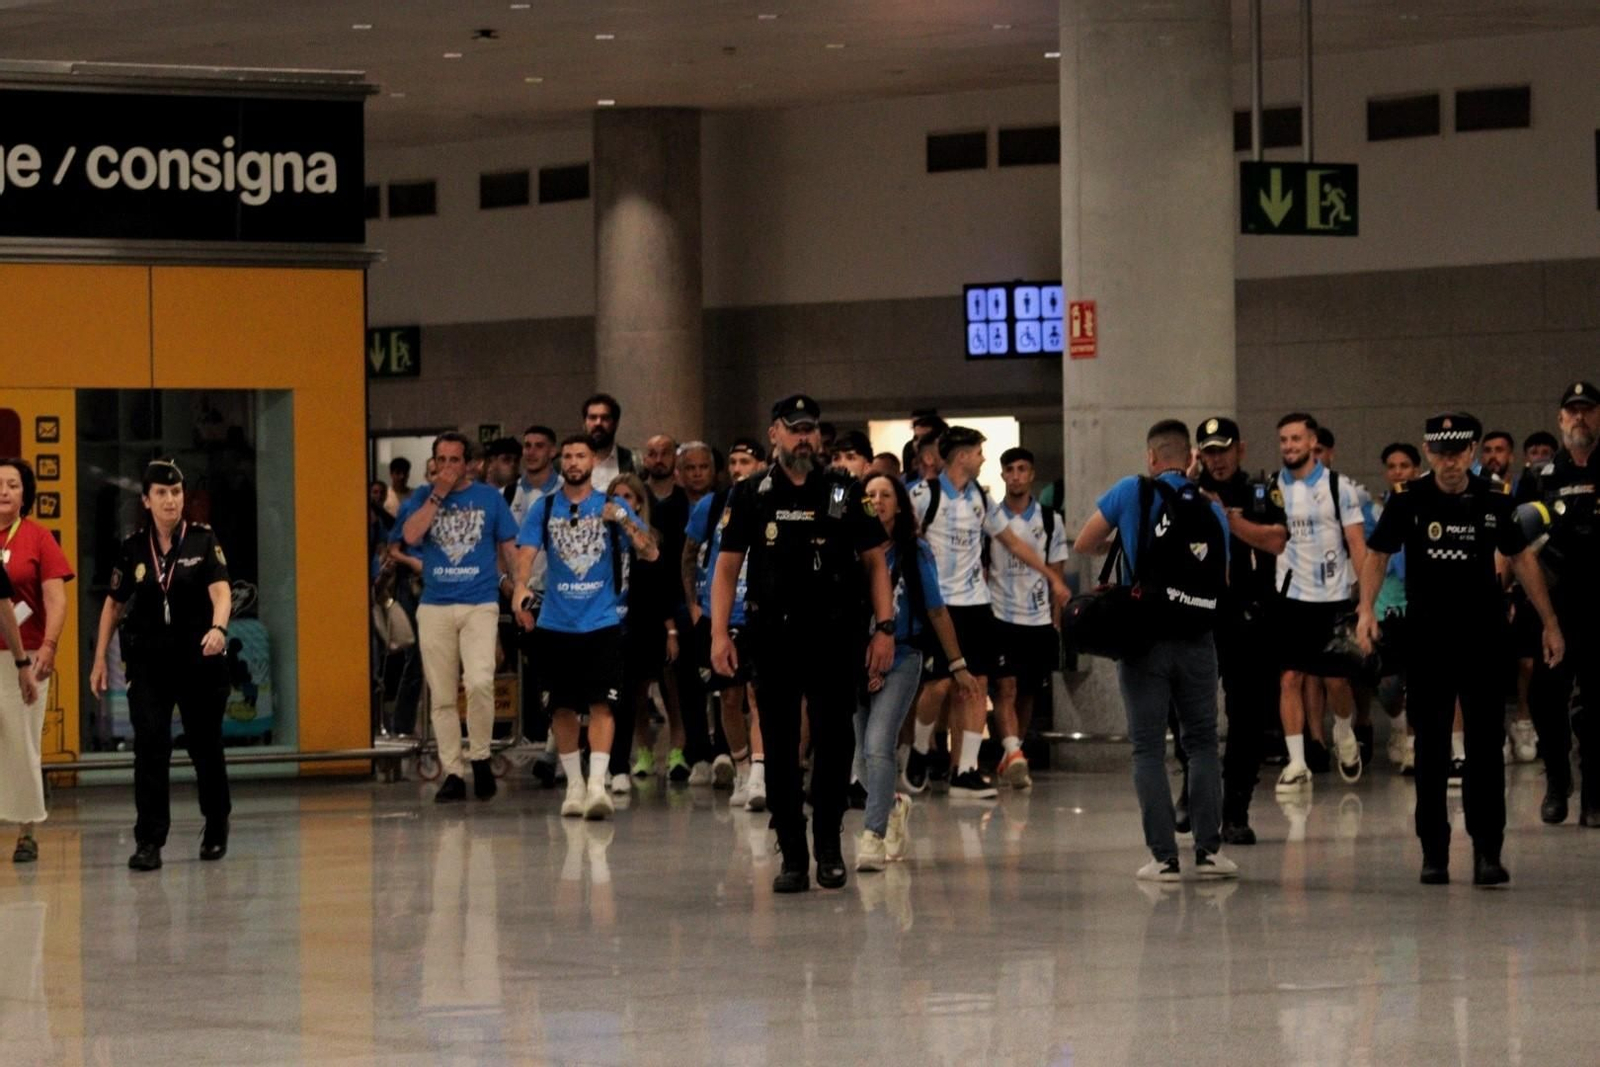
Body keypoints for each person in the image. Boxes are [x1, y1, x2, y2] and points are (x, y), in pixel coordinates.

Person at [1358, 413, 1563, 886]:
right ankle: (1435, 851)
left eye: (1458, 452)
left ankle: (1488, 850)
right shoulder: (1408, 499)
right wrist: (1366, 610)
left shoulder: (1493, 498)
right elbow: (1377, 553)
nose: (1450, 462)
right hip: (1429, 640)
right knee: (1430, 749)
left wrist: (1550, 622)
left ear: (1471, 452)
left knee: (1485, 748)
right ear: (1429, 453)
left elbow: (1521, 558)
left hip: (1482, 639)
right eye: (1441, 453)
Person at [711, 394, 896, 893]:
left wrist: (885, 627)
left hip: (835, 637)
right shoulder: (752, 494)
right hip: (772, 637)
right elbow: (726, 569)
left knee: (836, 743)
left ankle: (830, 845)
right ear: (774, 433)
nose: (803, 437)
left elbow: (876, 562)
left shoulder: (841, 491)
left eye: (810, 429)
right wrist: (717, 632)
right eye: (793, 429)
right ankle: (792, 851)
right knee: (780, 742)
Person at [1072, 420, 1236, 882]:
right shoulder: (1211, 507)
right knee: (1202, 743)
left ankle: (1164, 858)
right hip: (1198, 642)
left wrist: (1126, 539)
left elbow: (1085, 543)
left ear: (1150, 457)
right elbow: (1222, 582)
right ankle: (1209, 852)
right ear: (1190, 459)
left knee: (1147, 748)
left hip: (1142, 640)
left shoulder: (1131, 491)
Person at [904, 427, 1069, 799]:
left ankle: (966, 770)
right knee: (940, 683)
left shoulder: (981, 497)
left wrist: (1050, 577)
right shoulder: (922, 495)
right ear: (961, 456)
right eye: (978, 452)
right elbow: (898, 536)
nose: (982, 459)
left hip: (977, 604)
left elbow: (1011, 541)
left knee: (976, 684)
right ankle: (918, 750)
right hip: (937, 605)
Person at [89, 460, 233, 871]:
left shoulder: (202, 541)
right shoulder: (134, 547)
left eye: (176, 493)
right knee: (151, 747)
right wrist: (100, 658)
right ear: (147, 500)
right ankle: (149, 840)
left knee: (205, 744)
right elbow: (113, 605)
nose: (171, 500)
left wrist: (219, 628)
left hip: (199, 659)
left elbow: (222, 592)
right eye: (162, 494)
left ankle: (217, 822)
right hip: (149, 664)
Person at [513, 435, 658, 821]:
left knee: (602, 704)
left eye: (581, 455)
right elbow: (525, 554)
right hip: (556, 622)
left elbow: (651, 551)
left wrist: (624, 520)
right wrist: (521, 586)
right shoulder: (543, 509)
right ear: (561, 462)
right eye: (569, 456)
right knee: (560, 706)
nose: (574, 462)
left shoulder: (610, 506)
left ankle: (597, 784)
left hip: (602, 621)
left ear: (593, 461)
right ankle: (574, 785)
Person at [855, 472, 976, 871]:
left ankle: (873, 835)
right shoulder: (851, 546)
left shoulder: (914, 551)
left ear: (899, 504)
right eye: (870, 494)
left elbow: (937, 610)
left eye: (886, 494)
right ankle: (892, 805)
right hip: (856, 659)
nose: (877, 500)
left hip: (903, 655)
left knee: (878, 744)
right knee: (859, 759)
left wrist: (957, 664)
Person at [396, 433, 520, 804]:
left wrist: (519, 589)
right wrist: (438, 494)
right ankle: (453, 770)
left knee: (480, 680)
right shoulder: (422, 496)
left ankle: (480, 755)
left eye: (455, 460)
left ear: (469, 463)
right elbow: (411, 535)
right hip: (435, 603)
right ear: (433, 462)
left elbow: (508, 548)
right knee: (442, 693)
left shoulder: (488, 498)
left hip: (479, 602)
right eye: (442, 459)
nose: (448, 467)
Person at [1194, 419, 1287, 845]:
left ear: (1240, 450)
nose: (1217, 459)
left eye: (1224, 449)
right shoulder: (1184, 493)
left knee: (1247, 721)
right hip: (1199, 617)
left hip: (1249, 620)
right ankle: (1192, 796)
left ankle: (1235, 812)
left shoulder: (1262, 491)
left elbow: (1275, 540)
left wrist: (1225, 518)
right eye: (1209, 451)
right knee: (1190, 716)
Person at [1270, 413, 1369, 792]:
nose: (1289, 446)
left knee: (1335, 681)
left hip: (1333, 597)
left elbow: (1357, 544)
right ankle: (1297, 762)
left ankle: (1344, 730)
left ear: (1313, 442)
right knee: (1291, 677)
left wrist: (1366, 603)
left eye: (1296, 439)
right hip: (1291, 597)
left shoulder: (1337, 487)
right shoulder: (1273, 488)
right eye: (1283, 440)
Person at [1523, 382, 1600, 826]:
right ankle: (1557, 779)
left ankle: (1595, 792)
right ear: (1560, 420)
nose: (1579, 419)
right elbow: (1517, 544)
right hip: (1555, 603)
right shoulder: (1540, 476)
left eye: (1587, 411)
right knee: (1545, 697)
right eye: (1572, 412)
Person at [683, 439, 769, 811]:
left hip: (761, 613)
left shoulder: (772, 500)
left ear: (761, 464)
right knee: (730, 697)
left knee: (758, 695)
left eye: (745, 461)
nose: (737, 468)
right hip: (722, 615)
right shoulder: (712, 504)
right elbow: (688, 554)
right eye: (732, 461)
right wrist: (693, 605)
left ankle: (760, 777)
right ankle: (740, 766)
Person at [986, 447, 1070, 789]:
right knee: (1004, 687)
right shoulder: (991, 518)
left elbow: (1057, 572)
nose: (1017, 475)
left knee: (1026, 692)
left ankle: (1012, 757)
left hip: (1037, 620)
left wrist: (1056, 620)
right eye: (1011, 469)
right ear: (1003, 474)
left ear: (1032, 474)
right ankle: (1014, 752)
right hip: (999, 614)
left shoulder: (1050, 520)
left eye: (1023, 469)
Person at [0, 459, 68, 863]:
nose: (4, 491)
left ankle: (26, 831)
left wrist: (49, 645)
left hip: (23, 657)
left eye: (12, 484)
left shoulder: (38, 538)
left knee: (23, 743)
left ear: (25, 493)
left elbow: (56, 599)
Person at [605, 473, 674, 797]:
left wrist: (624, 519)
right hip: (600, 623)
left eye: (628, 498)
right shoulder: (599, 535)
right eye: (614, 497)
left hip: (636, 627)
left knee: (628, 699)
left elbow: (651, 553)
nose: (621, 503)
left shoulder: (647, 537)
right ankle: (603, 762)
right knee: (602, 700)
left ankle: (619, 764)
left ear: (639, 503)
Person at [504, 425, 564, 783]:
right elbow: (502, 547)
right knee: (537, 675)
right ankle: (544, 742)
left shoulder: (565, 494)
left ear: (552, 451)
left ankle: (555, 750)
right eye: (527, 446)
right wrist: (510, 588)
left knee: (559, 677)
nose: (531, 452)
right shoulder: (508, 493)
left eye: (539, 446)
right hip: (521, 595)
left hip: (561, 597)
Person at [633, 434, 690, 781]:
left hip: (676, 596)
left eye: (664, 452)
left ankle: (678, 750)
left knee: (674, 681)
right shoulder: (637, 499)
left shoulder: (685, 502)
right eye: (651, 453)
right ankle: (642, 751)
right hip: (641, 600)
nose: (658, 459)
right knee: (639, 685)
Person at [1374, 442, 1422, 773]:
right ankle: (1398, 725)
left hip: (1418, 606)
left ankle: (1413, 745)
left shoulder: (1427, 506)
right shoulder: (1376, 510)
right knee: (1388, 685)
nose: (1398, 472)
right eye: (1392, 466)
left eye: (1404, 465)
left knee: (1419, 680)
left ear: (1416, 469)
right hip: (1386, 607)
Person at [584, 393, 636, 489]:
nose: (598, 423)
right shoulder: (567, 463)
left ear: (615, 423)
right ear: (584, 423)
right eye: (592, 417)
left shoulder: (631, 461)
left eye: (605, 418)